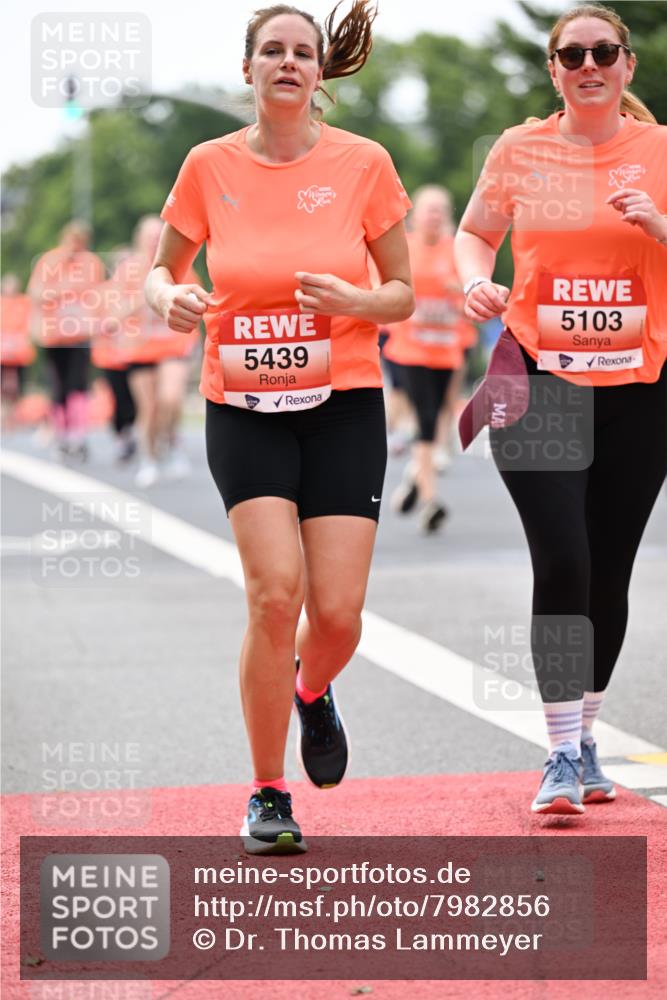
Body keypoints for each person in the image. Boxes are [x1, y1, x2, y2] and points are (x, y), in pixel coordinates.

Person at [145, 2, 412, 853]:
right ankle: (267, 791)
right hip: (242, 402)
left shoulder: (363, 164)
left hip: (343, 400)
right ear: (249, 70)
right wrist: (173, 300)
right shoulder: (207, 165)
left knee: (335, 614)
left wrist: (358, 301)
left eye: (303, 52)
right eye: (272, 51)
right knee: (273, 595)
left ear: (320, 72)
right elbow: (161, 269)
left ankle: (310, 689)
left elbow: (402, 292)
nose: (288, 63)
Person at [455, 3, 667, 815]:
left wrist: (658, 225)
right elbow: (474, 234)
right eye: (571, 53)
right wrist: (473, 276)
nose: (588, 64)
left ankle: (584, 739)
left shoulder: (657, 151)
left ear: (625, 66)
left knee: (608, 569)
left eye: (602, 51)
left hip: (641, 389)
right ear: (552, 68)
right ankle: (554, 755)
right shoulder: (518, 148)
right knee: (564, 558)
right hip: (538, 377)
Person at [385, 185, 474, 532]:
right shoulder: (402, 246)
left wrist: (461, 291)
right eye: (428, 209)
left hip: (447, 350)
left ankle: (413, 479)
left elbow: (474, 297)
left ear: (448, 214)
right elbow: (385, 286)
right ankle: (430, 502)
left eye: (440, 209)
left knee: (436, 420)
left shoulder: (458, 250)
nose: (434, 215)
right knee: (425, 421)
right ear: (414, 214)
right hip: (409, 349)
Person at [111, 216, 200, 488]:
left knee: (170, 398)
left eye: (157, 234)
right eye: (148, 235)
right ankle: (149, 459)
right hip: (139, 348)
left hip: (173, 343)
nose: (153, 240)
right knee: (147, 407)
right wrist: (148, 295)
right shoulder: (127, 270)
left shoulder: (179, 264)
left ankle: (170, 440)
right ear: (138, 238)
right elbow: (114, 312)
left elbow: (195, 298)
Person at [28, 221, 105, 460]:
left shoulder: (92, 263)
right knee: (58, 387)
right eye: (72, 241)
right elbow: (35, 293)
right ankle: (61, 434)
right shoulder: (49, 262)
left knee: (78, 385)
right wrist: (63, 289)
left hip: (80, 334)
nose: (76, 248)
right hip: (54, 335)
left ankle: (78, 435)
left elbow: (99, 295)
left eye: (80, 242)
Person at [93, 247, 137, 463]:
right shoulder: (103, 292)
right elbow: (94, 321)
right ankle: (121, 435)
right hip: (110, 355)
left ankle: (131, 432)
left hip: (135, 353)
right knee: (118, 397)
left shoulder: (138, 291)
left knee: (136, 399)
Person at [0, 274, 35, 431]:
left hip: (19, 353)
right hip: (3, 352)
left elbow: (31, 322)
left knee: (18, 387)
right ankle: (3, 415)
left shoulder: (24, 303)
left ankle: (13, 415)